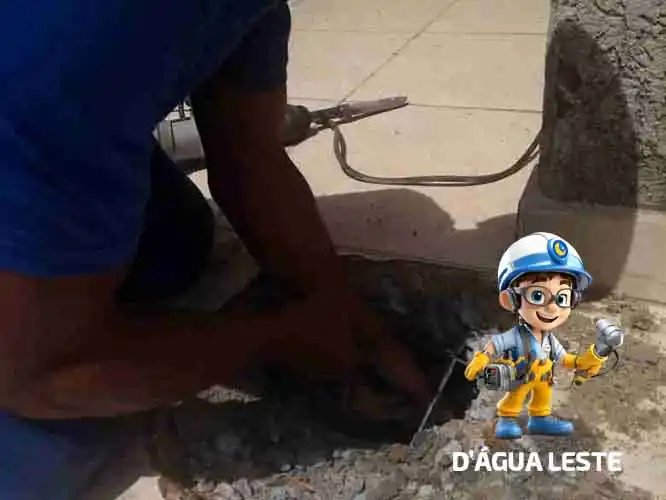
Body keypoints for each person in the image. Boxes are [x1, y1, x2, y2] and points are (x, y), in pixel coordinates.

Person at [0, 0, 432, 497]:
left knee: (174, 246)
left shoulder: (244, 11)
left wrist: (334, 304)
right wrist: (277, 337)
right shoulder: (75, 46)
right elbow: (37, 376)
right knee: (52, 453)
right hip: (40, 81)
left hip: (54, 95)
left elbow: (249, 155)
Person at [464, 232, 609, 439]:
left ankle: (540, 418)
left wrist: (590, 358)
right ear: (510, 300)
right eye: (538, 295)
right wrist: (482, 358)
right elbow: (496, 344)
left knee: (543, 396)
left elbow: (565, 359)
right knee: (516, 397)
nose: (553, 308)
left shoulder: (549, 340)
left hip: (544, 379)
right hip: (522, 376)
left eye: (562, 297)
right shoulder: (517, 336)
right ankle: (507, 418)